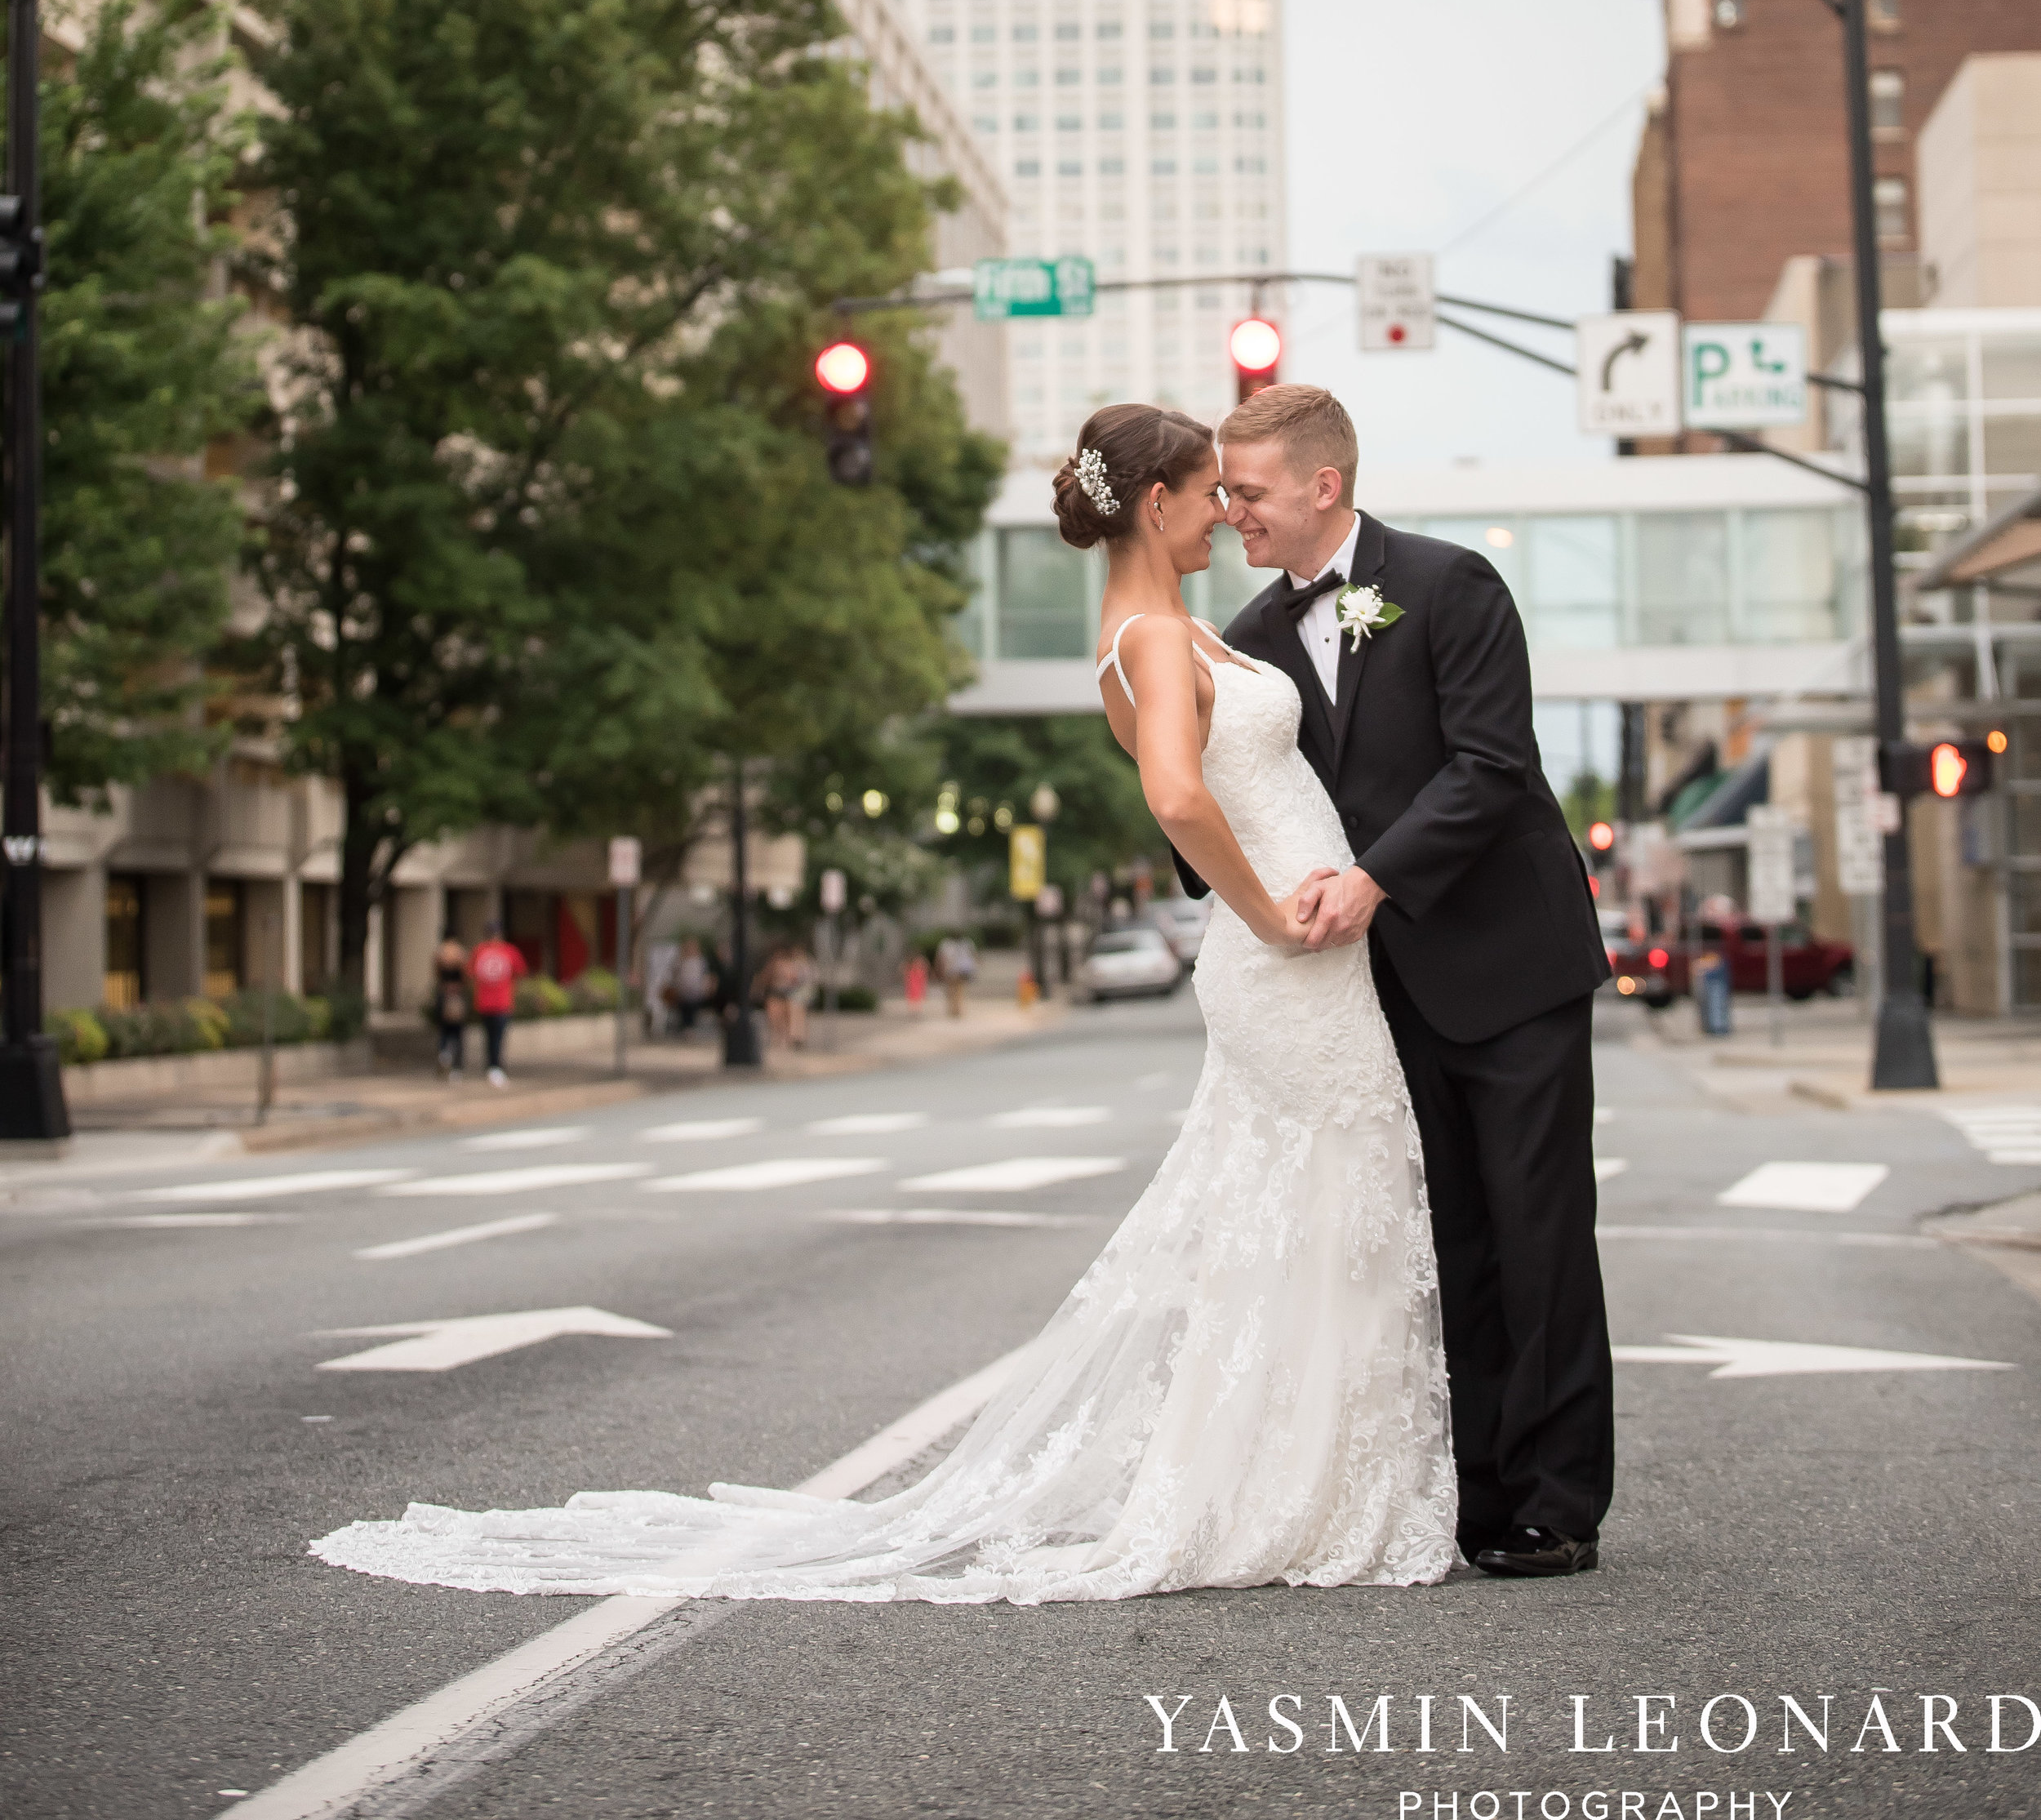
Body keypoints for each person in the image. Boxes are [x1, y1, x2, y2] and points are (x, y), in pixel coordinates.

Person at [310, 402, 1456, 1604]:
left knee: (1319, 1212)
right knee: (1331, 1196)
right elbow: (1175, 797)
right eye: (1210, 493)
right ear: (1158, 503)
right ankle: (1308, 1492)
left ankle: (1313, 1478)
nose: (1225, 514)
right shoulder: (1154, 644)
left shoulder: (1162, 630)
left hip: (1310, 959)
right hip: (1284, 959)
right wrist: (1273, 914)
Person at [1211, 382, 1614, 1577]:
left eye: (1251, 491)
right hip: (1376, 995)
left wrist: (1375, 879)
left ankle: (1555, 1500)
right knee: (1452, 1242)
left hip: (1512, 959)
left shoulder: (1451, 586)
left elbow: (1494, 767)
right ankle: (1475, 1497)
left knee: (1538, 1231)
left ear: (1322, 484)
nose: (1236, 511)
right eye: (1226, 492)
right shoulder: (1247, 643)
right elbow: (1238, 798)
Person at [465, 921, 527, 1088]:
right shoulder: (507, 951)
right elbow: (520, 972)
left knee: (491, 1037)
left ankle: (493, 1066)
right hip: (499, 1003)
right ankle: (495, 1066)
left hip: (490, 1002)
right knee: (497, 1037)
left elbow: (470, 975)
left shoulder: (480, 951)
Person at [429, 936, 469, 1077]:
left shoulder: (440, 953)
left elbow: (436, 974)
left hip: (443, 994)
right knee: (457, 1033)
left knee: (444, 1031)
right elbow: (466, 975)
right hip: (457, 995)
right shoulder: (460, 953)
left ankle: (444, 1054)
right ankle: (456, 1068)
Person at [933, 932, 977, 1019]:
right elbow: (941, 957)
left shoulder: (966, 943)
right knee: (952, 989)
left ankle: (957, 1008)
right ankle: (954, 1008)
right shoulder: (946, 944)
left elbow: (972, 955)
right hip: (950, 969)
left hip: (960, 969)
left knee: (958, 989)